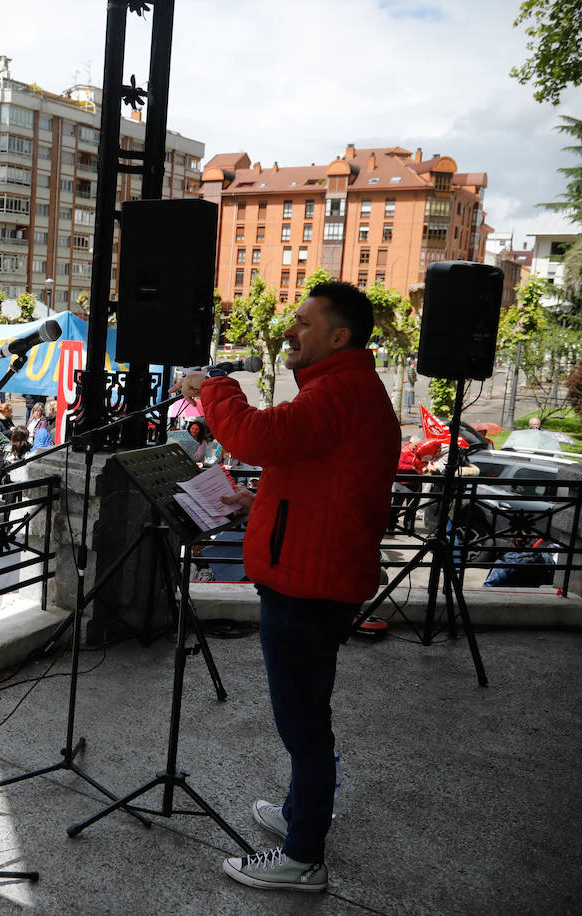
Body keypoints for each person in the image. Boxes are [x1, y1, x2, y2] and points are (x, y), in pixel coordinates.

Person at [174, 280, 399, 893]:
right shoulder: (342, 390)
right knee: (309, 713)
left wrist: (212, 387)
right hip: (313, 571)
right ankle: (303, 814)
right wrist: (260, 502)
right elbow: (313, 479)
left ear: (339, 336)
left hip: (310, 584)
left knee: (302, 723)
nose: (288, 332)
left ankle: (303, 858)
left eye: (302, 321)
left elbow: (256, 438)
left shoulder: (341, 390)